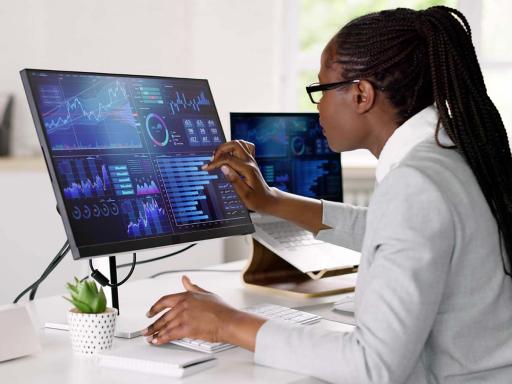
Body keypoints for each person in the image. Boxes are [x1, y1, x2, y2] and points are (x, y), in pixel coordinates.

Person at [142, 6, 512, 383]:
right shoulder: (450, 153)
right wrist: (272, 201)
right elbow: (386, 231)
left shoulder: (415, 183)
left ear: (361, 94)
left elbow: (371, 365)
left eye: (320, 90)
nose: (317, 106)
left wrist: (227, 323)